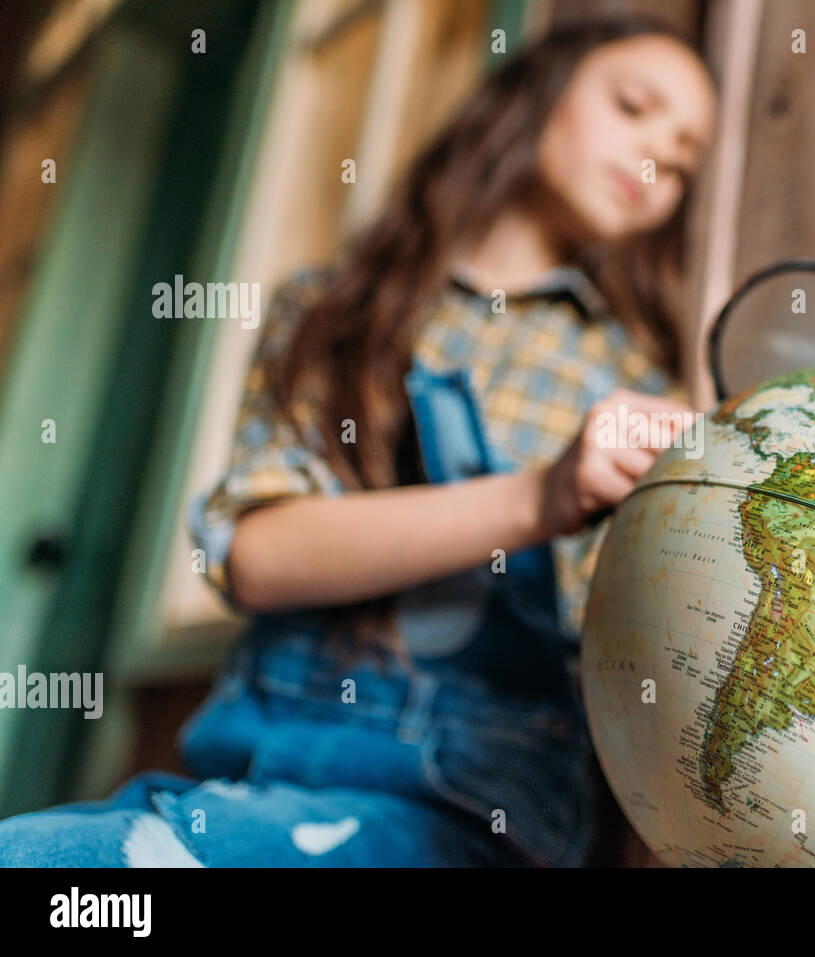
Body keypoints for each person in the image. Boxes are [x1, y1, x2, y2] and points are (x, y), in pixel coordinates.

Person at [0, 16, 718, 867]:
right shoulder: (331, 312)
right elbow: (258, 553)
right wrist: (535, 499)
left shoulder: (637, 381)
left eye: (681, 162)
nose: (656, 162)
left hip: (472, 803)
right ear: (536, 95)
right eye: (634, 107)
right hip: (261, 762)